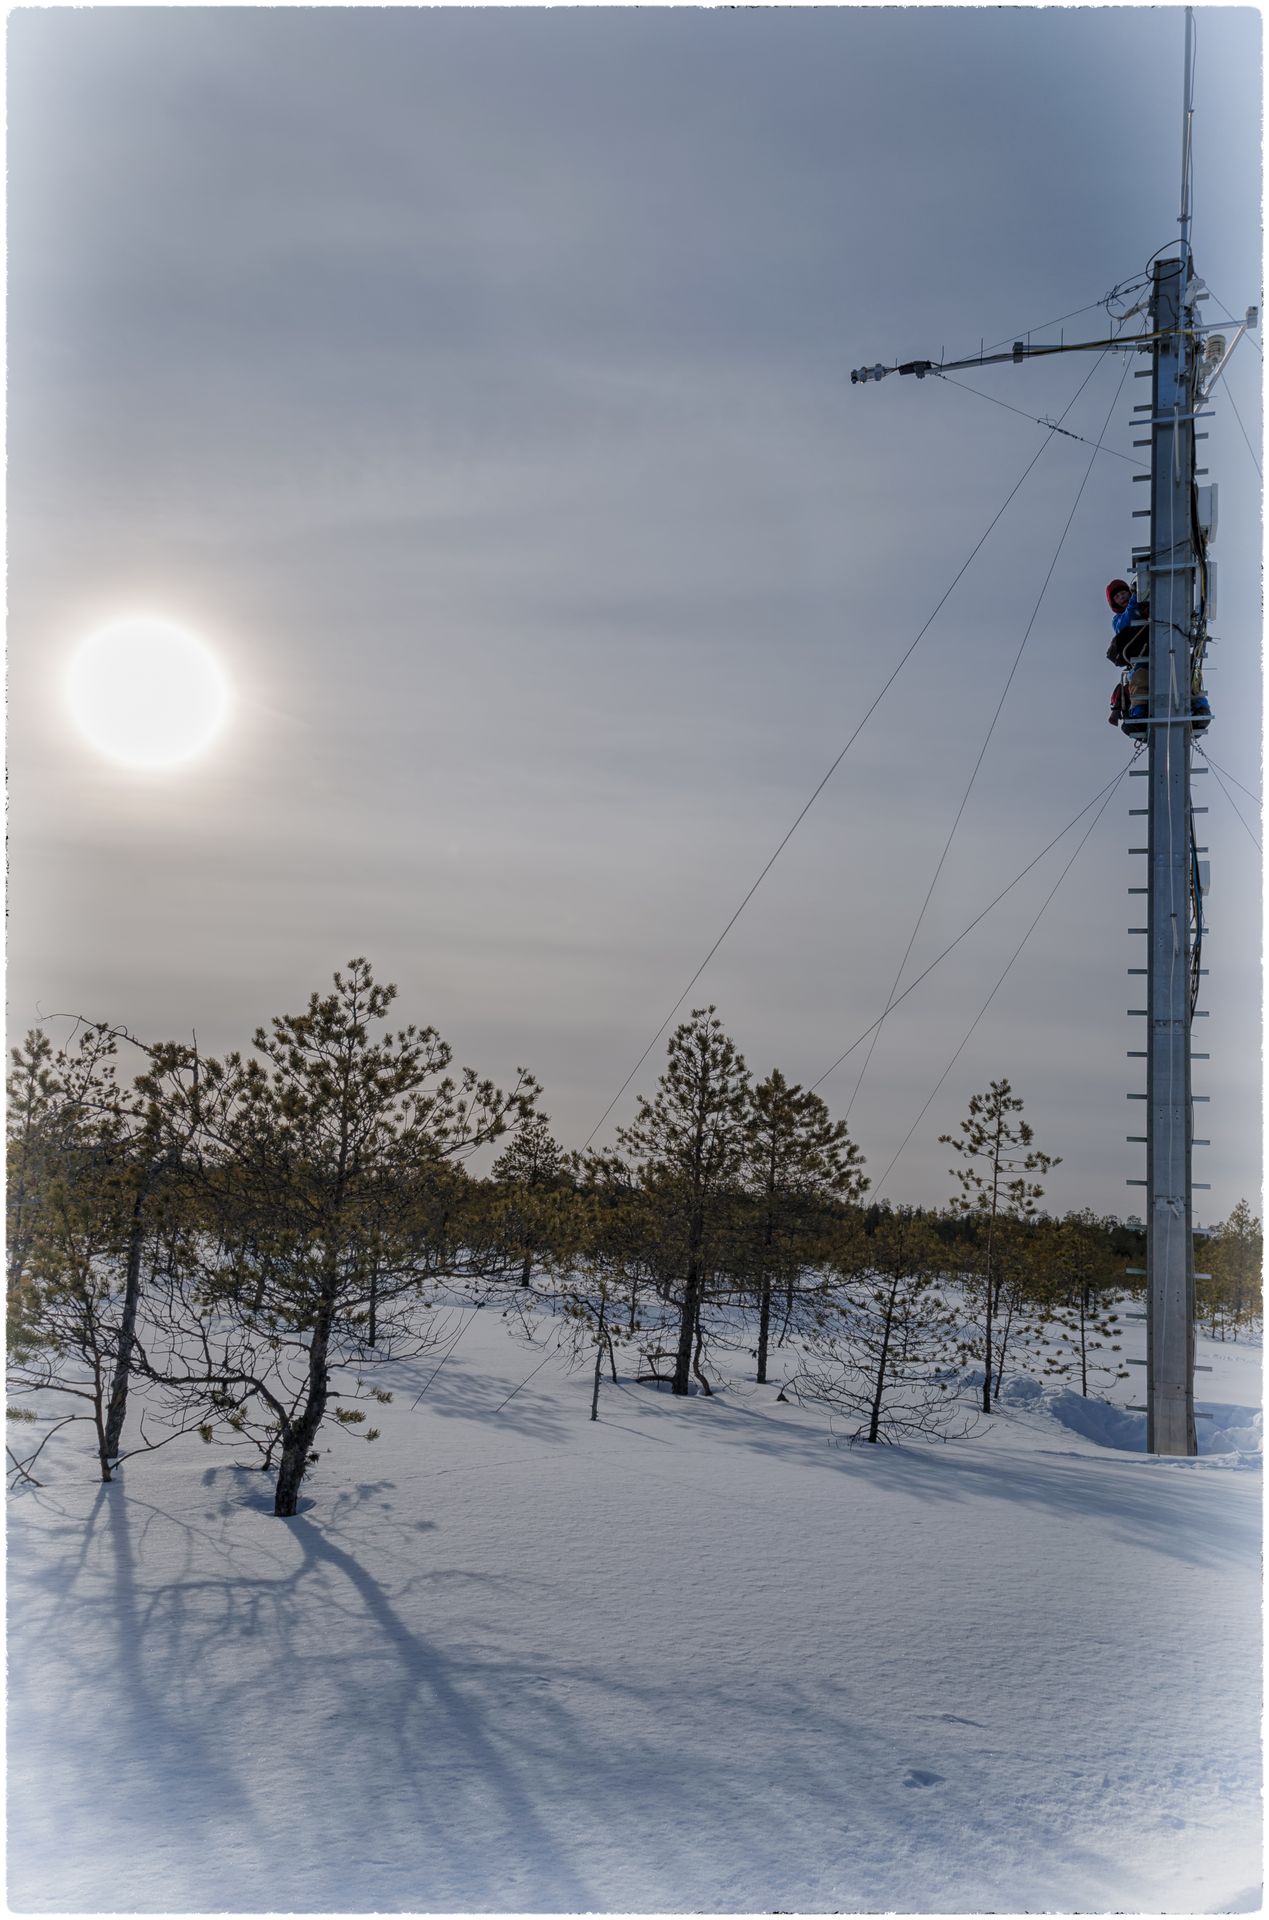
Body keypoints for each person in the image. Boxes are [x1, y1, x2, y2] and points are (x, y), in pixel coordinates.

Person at [1104, 577, 1211, 736]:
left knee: (1186, 674)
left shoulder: (1151, 608)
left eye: (1124, 593)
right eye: (1118, 597)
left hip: (1169, 649)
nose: (1122, 597)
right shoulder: (1118, 619)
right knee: (1140, 681)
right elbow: (1127, 620)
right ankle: (1139, 713)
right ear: (1114, 603)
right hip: (1143, 659)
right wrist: (1135, 597)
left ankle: (1200, 708)